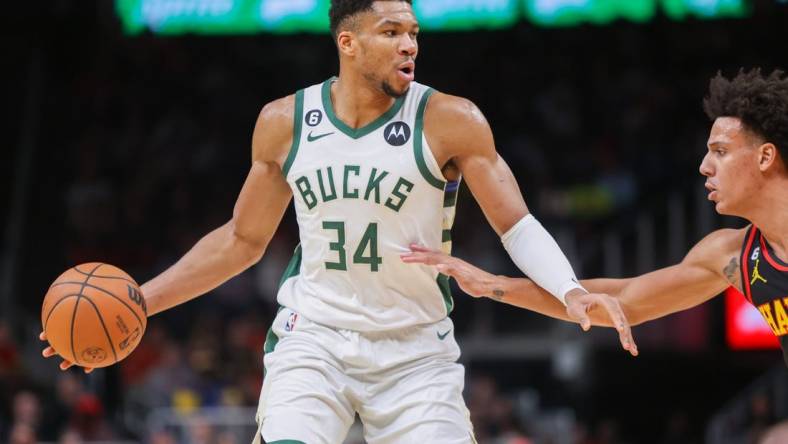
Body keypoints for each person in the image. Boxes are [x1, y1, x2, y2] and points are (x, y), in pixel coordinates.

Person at [41, 1, 637, 442]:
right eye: (392, 32)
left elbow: (517, 224)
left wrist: (571, 290)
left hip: (415, 350)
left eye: (414, 32)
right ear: (348, 43)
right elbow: (242, 240)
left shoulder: (452, 119)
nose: (411, 45)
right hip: (315, 338)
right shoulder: (284, 121)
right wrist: (140, 301)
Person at [401, 68, 788, 367]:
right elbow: (621, 301)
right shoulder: (731, 255)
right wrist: (493, 285)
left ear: (766, 157)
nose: (704, 166)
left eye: (720, 151)